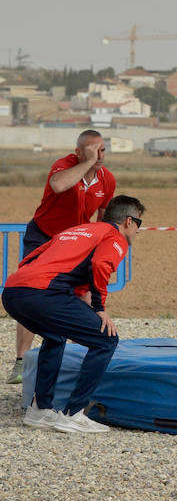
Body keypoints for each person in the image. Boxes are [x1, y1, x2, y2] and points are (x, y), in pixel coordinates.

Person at [1, 194, 144, 434]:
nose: (140, 230)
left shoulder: (78, 231)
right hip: (44, 293)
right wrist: (99, 308)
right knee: (106, 339)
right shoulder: (114, 237)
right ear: (128, 221)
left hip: (14, 291)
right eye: (139, 224)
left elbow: (33, 258)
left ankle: (40, 411)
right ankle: (73, 414)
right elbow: (100, 265)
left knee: (56, 336)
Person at [6, 129, 116, 384]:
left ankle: (86, 357)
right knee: (31, 291)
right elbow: (58, 185)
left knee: (85, 295)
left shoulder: (107, 180)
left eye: (102, 149)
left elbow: (103, 219)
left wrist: (99, 249)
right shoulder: (64, 166)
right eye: (91, 150)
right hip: (43, 236)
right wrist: (87, 162)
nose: (98, 155)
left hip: (73, 243)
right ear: (78, 152)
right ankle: (21, 362)